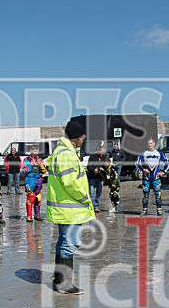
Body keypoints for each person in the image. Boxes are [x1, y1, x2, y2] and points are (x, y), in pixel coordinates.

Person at [46, 120, 94, 295]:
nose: (84, 138)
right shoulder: (66, 154)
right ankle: (65, 284)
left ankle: (58, 280)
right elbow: (70, 183)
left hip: (64, 208)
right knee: (70, 243)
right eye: (83, 136)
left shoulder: (61, 151)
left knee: (63, 242)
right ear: (77, 137)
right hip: (70, 208)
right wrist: (84, 198)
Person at [136, 138, 169, 216]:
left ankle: (159, 210)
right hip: (146, 178)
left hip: (156, 178)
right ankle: (144, 210)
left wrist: (163, 171)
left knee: (158, 194)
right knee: (145, 194)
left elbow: (167, 162)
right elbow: (137, 163)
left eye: (151, 143)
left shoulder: (159, 153)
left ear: (154, 144)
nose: (150, 145)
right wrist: (143, 169)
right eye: (148, 144)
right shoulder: (144, 153)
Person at [21, 146, 46, 222]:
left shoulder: (40, 159)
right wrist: (32, 165)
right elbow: (24, 170)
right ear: (31, 151)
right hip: (30, 180)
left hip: (39, 180)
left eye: (37, 151)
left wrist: (41, 165)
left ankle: (37, 215)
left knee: (38, 198)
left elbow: (44, 171)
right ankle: (29, 216)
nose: (36, 152)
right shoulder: (26, 159)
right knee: (30, 197)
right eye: (34, 150)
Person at [87, 145, 108, 212]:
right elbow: (88, 167)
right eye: (102, 152)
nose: (103, 153)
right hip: (92, 177)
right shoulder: (92, 157)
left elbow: (106, 167)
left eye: (104, 152)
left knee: (98, 193)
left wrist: (106, 166)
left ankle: (96, 206)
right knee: (92, 193)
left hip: (100, 177)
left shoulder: (104, 157)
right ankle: (91, 207)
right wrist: (94, 169)